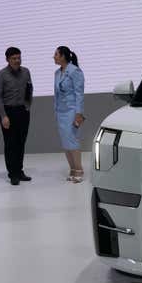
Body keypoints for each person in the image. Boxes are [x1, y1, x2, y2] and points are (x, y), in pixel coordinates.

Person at [0, 47, 33, 185]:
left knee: (21, 142)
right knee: (10, 143)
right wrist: (3, 116)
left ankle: (20, 170)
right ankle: (13, 174)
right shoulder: (1, 75)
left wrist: (28, 106)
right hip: (8, 112)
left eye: (19, 57)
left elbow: (29, 89)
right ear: (7, 60)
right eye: (14, 58)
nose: (17, 60)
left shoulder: (26, 72)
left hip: (23, 111)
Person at [53, 46, 85, 182]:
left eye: (56, 54)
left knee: (72, 139)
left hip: (72, 110)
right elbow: (56, 94)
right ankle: (72, 168)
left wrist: (79, 113)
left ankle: (79, 169)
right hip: (60, 111)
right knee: (65, 141)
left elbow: (79, 93)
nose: (54, 57)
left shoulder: (75, 71)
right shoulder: (57, 73)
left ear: (63, 56)